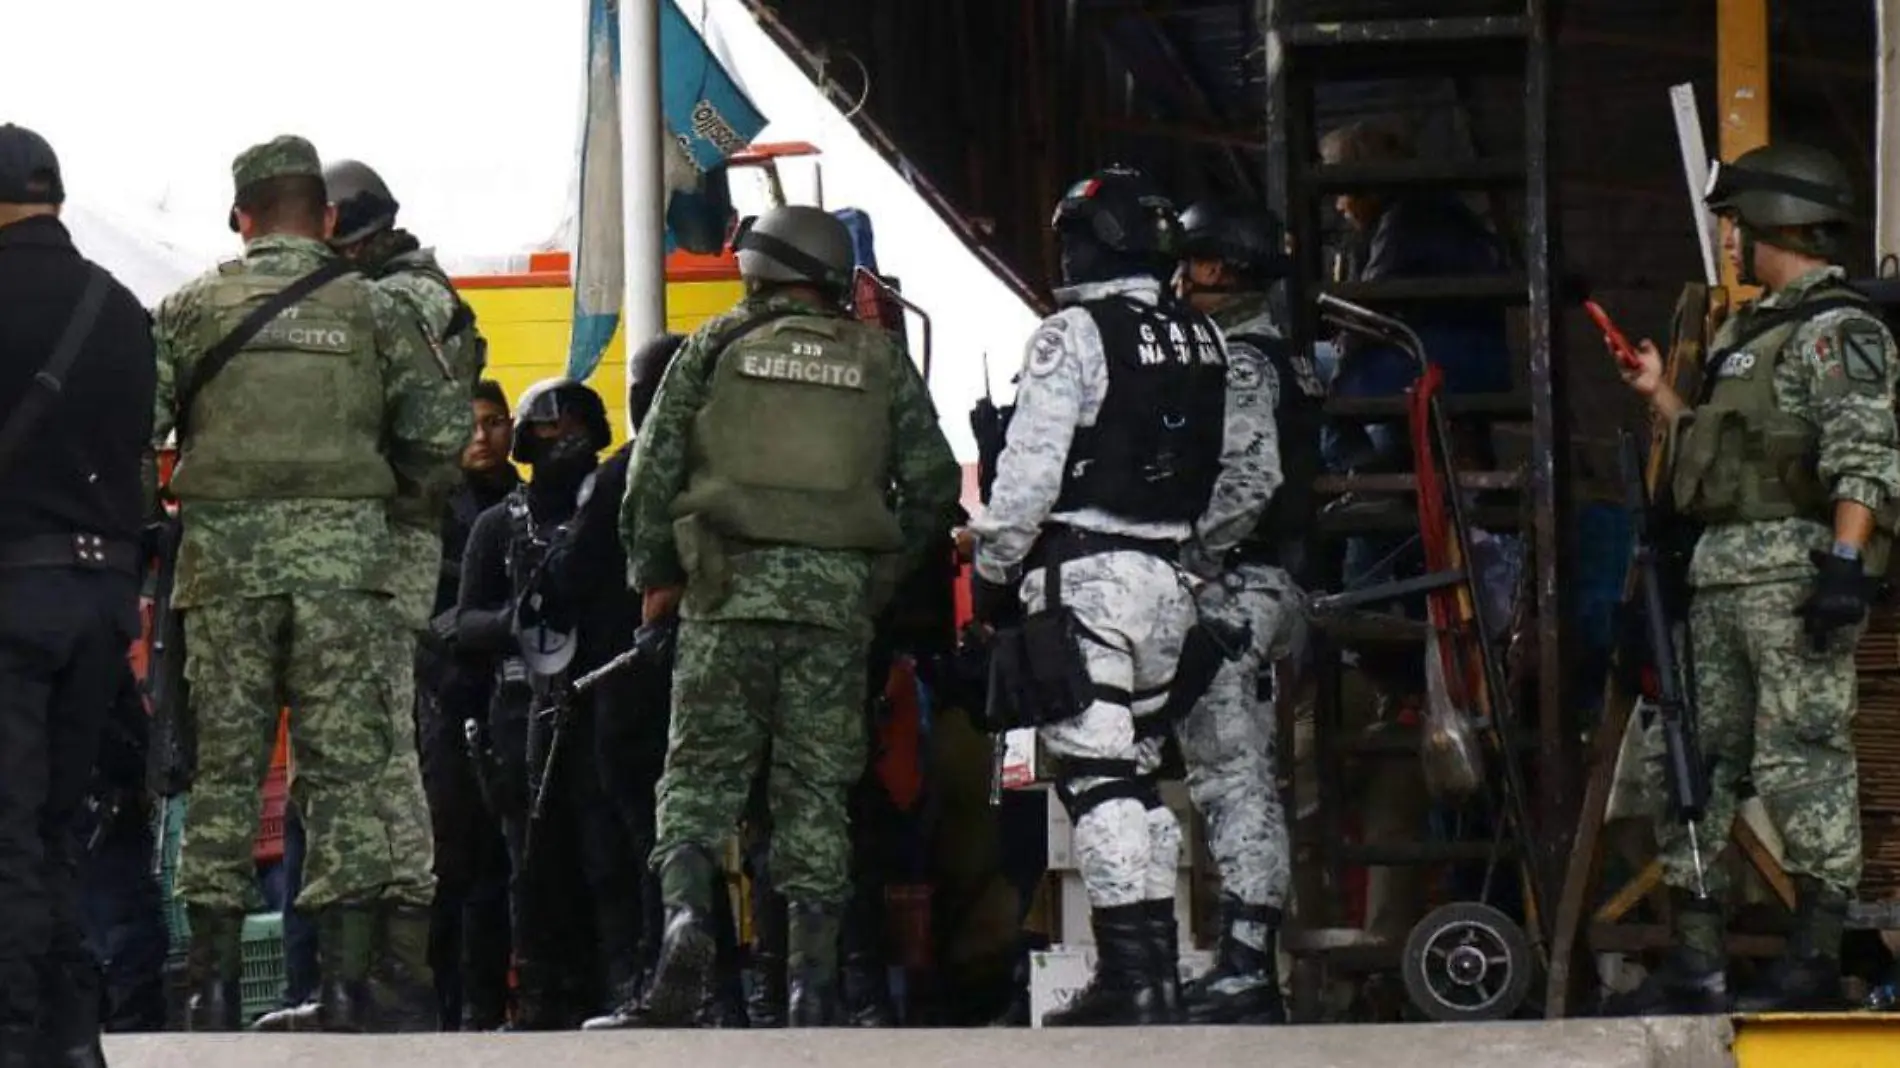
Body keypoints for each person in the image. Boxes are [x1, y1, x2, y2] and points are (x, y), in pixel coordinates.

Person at [152, 135, 466, 1033]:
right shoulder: (375, 312)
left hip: (226, 577)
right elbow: (439, 434)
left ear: (242, 216)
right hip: (347, 578)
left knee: (225, 776)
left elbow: (144, 431)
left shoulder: (189, 307)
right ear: (324, 219)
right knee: (345, 775)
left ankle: (208, 988)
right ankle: (342, 982)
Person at [621, 204, 961, 1027]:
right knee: (814, 793)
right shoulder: (880, 360)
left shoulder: (714, 346)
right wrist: (869, 580)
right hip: (831, 614)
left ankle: (687, 922)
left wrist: (657, 575)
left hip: (725, 595)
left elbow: (650, 475)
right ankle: (811, 986)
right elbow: (934, 487)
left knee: (699, 781)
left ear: (757, 267)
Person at [967, 166, 1274, 1027]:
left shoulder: (1071, 334)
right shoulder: (1210, 341)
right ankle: (1159, 975)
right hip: (1171, 585)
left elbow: (1026, 480)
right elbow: (1231, 479)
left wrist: (994, 573)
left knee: (1097, 784)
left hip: (1085, 584)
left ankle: (1133, 981)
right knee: (1137, 780)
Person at [1607, 141, 1900, 1015]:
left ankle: (1813, 959)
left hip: (1792, 581)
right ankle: (1698, 959)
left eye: (1734, 222)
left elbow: (1868, 460)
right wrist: (1661, 395)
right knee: (1692, 766)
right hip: (1720, 579)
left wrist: (1845, 566)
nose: (1728, 239)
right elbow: (1722, 455)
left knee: (1803, 764)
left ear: (1772, 220)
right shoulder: (1748, 334)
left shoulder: (1840, 331)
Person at [0, 123, 155, 1068]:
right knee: (59, 825)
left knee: (5, 830)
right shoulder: (121, 305)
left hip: (10, 595)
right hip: (103, 595)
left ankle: (14, 1032)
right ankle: (70, 1035)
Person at [1170, 200, 1315, 1024]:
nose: (1180, 276)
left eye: (1192, 261)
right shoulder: (1272, 351)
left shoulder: (1243, 360)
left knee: (1232, 770)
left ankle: (1247, 965)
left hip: (1244, 587)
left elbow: (1250, 481)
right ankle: (1241, 958)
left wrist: (1186, 560)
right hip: (1265, 580)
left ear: (1219, 270)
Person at [456, 378, 638, 1029]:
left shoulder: (614, 517)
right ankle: (536, 993)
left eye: (576, 437)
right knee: (529, 863)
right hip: (519, 711)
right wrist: (521, 619)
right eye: (551, 435)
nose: (564, 448)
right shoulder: (497, 525)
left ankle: (621, 985)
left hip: (599, 701)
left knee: (606, 852)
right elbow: (459, 622)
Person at [413, 380, 518, 1030]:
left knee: (502, 863)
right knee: (448, 862)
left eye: (494, 422)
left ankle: (484, 1004)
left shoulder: (527, 505)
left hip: (512, 700)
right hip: (444, 701)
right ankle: (442, 1008)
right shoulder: (431, 510)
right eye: (471, 424)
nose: (483, 437)